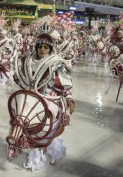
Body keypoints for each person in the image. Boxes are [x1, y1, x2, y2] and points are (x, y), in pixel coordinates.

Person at [6, 29, 75, 171]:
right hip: (30, 100)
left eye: (45, 47)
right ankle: (16, 143)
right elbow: (23, 81)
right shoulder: (28, 62)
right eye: (40, 47)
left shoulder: (56, 63)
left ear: (50, 49)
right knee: (19, 120)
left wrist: (69, 99)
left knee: (46, 130)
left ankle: (44, 155)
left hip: (49, 100)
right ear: (36, 48)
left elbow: (64, 86)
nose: (42, 50)